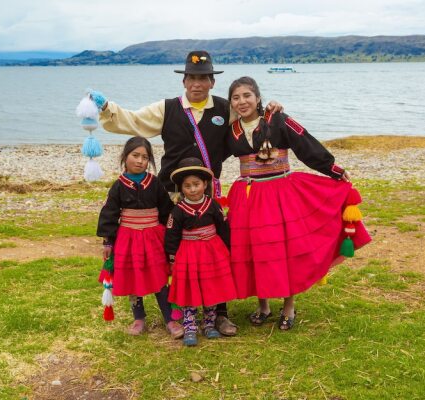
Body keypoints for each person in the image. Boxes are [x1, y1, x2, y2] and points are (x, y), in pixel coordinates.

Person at [88, 50, 283, 336]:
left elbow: (250, 115)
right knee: (173, 255)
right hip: (172, 195)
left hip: (207, 194)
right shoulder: (166, 109)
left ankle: (219, 314)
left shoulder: (225, 107)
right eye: (192, 77)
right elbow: (133, 121)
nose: (197, 83)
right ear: (184, 81)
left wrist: (271, 108)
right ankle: (179, 313)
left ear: (212, 82)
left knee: (215, 255)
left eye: (203, 78)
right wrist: (107, 108)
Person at [225, 76, 372, 330]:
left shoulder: (278, 119)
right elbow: (209, 152)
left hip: (279, 192)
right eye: (236, 97)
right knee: (257, 250)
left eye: (247, 95)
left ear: (258, 97)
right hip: (248, 195)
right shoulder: (231, 130)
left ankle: (288, 306)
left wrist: (332, 169)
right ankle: (263, 305)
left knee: (283, 249)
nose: (242, 101)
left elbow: (305, 144)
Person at [96, 137, 183, 339]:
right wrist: (108, 241)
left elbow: (166, 211)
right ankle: (139, 318)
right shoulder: (118, 186)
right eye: (135, 155)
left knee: (160, 278)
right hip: (127, 238)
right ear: (125, 157)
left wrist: (175, 230)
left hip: (153, 237)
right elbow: (109, 213)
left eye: (145, 157)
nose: (140, 161)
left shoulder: (155, 183)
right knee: (132, 278)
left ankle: (170, 318)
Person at [164, 157, 237, 346]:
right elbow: (171, 235)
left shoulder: (213, 205)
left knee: (211, 286)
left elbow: (223, 228)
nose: (193, 189)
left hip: (212, 251)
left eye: (196, 184)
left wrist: (227, 250)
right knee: (191, 288)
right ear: (181, 188)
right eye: (187, 186)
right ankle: (189, 326)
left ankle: (209, 324)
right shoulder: (178, 211)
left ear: (205, 184)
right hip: (188, 253)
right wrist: (172, 257)